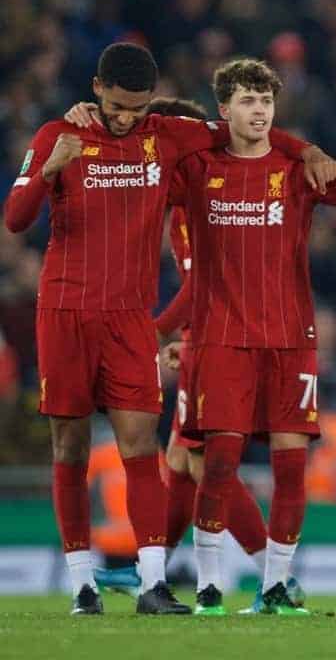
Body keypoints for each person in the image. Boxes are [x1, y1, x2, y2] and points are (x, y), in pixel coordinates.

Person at [3, 43, 336, 616]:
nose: (126, 117)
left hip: (132, 320)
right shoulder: (60, 135)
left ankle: (153, 583)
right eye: (116, 105)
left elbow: (245, 130)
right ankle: (82, 586)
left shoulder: (167, 136)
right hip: (63, 313)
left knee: (145, 449)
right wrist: (49, 168)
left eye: (137, 107)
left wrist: (305, 149)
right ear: (96, 88)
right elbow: (15, 219)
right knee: (71, 446)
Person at [161, 59, 336, 615]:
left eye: (266, 103)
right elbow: (156, 151)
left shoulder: (298, 167)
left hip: (291, 337)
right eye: (248, 102)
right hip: (223, 335)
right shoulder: (199, 167)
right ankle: (208, 585)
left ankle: (275, 584)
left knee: (291, 463)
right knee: (219, 459)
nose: (259, 112)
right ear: (224, 110)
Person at [85, 98, 302, 612]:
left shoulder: (197, 203)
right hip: (207, 336)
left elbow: (206, 281)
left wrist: (155, 332)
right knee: (182, 458)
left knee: (202, 457)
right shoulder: (182, 205)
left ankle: (273, 575)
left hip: (222, 341)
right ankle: (150, 570)